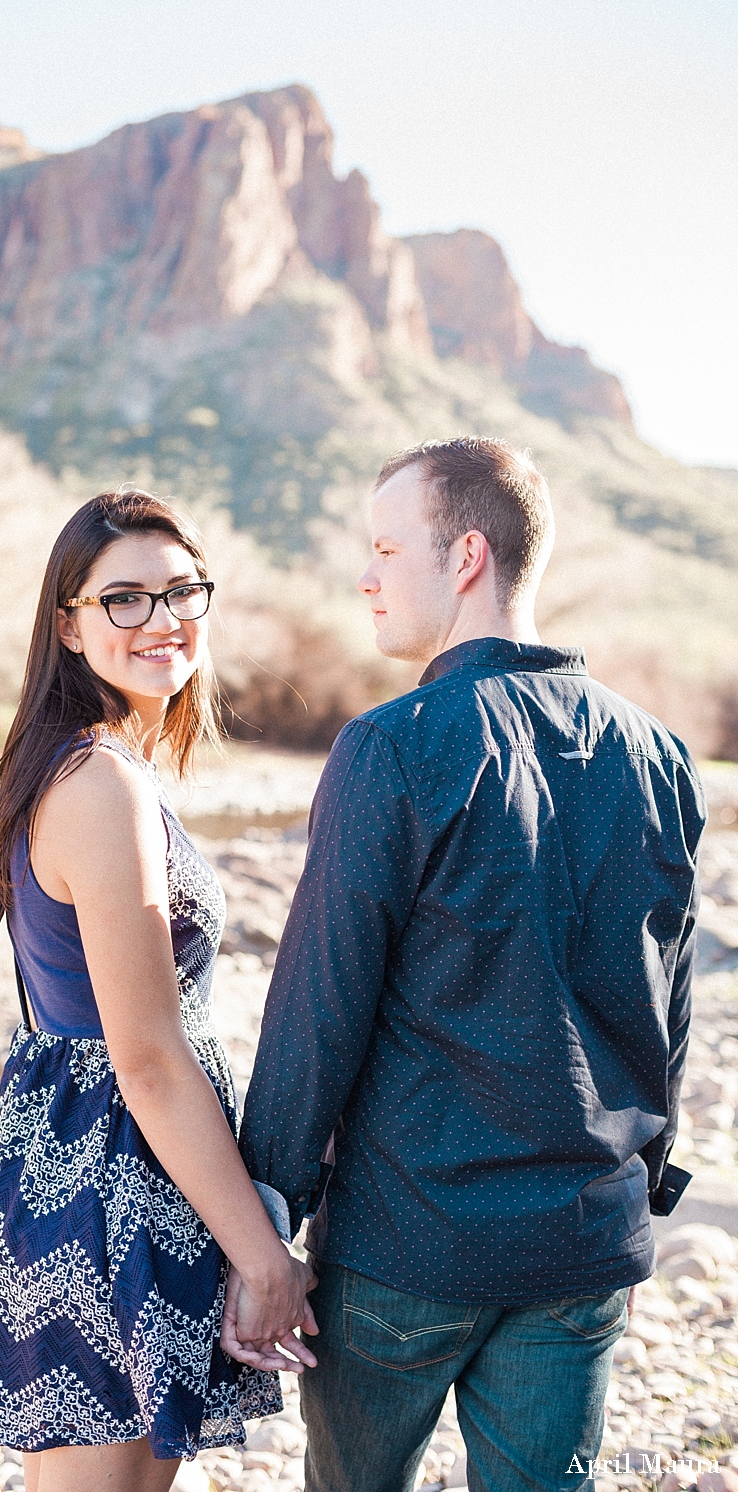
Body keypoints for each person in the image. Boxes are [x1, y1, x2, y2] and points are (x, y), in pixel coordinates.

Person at [232, 439, 704, 1492]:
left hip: (404, 1248)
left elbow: (319, 1005)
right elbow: (665, 1007)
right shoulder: (659, 754)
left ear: (465, 557)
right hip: (578, 1245)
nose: (365, 575)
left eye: (385, 547)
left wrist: (263, 1220)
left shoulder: (391, 746)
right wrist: (639, 1200)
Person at [0, 489, 316, 1492]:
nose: (160, 619)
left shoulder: (88, 767)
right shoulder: (99, 784)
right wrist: (263, 1253)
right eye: (123, 599)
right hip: (102, 1183)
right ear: (66, 624)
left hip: (111, 1170)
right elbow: (146, 1058)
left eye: (180, 590)